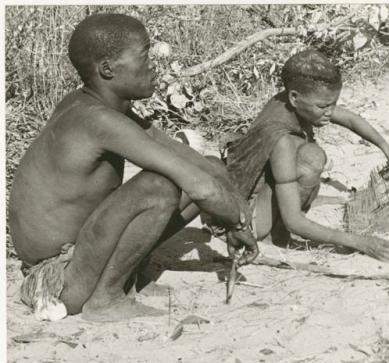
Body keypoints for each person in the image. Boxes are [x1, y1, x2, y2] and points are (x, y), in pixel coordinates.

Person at [8, 13, 258, 323]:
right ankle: (105, 299)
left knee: (208, 166)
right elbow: (200, 188)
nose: (154, 65)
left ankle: (124, 278)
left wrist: (235, 206)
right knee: (159, 186)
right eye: (144, 56)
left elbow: (201, 169)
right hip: (59, 279)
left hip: (78, 256)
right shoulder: (98, 120)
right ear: (108, 69)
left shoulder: (94, 105)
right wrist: (238, 224)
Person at [225, 49, 389, 262]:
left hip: (258, 193)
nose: (330, 111)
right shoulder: (282, 140)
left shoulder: (293, 100)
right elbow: (294, 222)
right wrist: (361, 242)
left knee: (308, 157)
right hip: (246, 220)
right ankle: (275, 235)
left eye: (333, 104)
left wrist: (388, 150)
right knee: (311, 159)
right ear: (295, 97)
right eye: (324, 106)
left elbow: (351, 120)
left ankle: (281, 219)